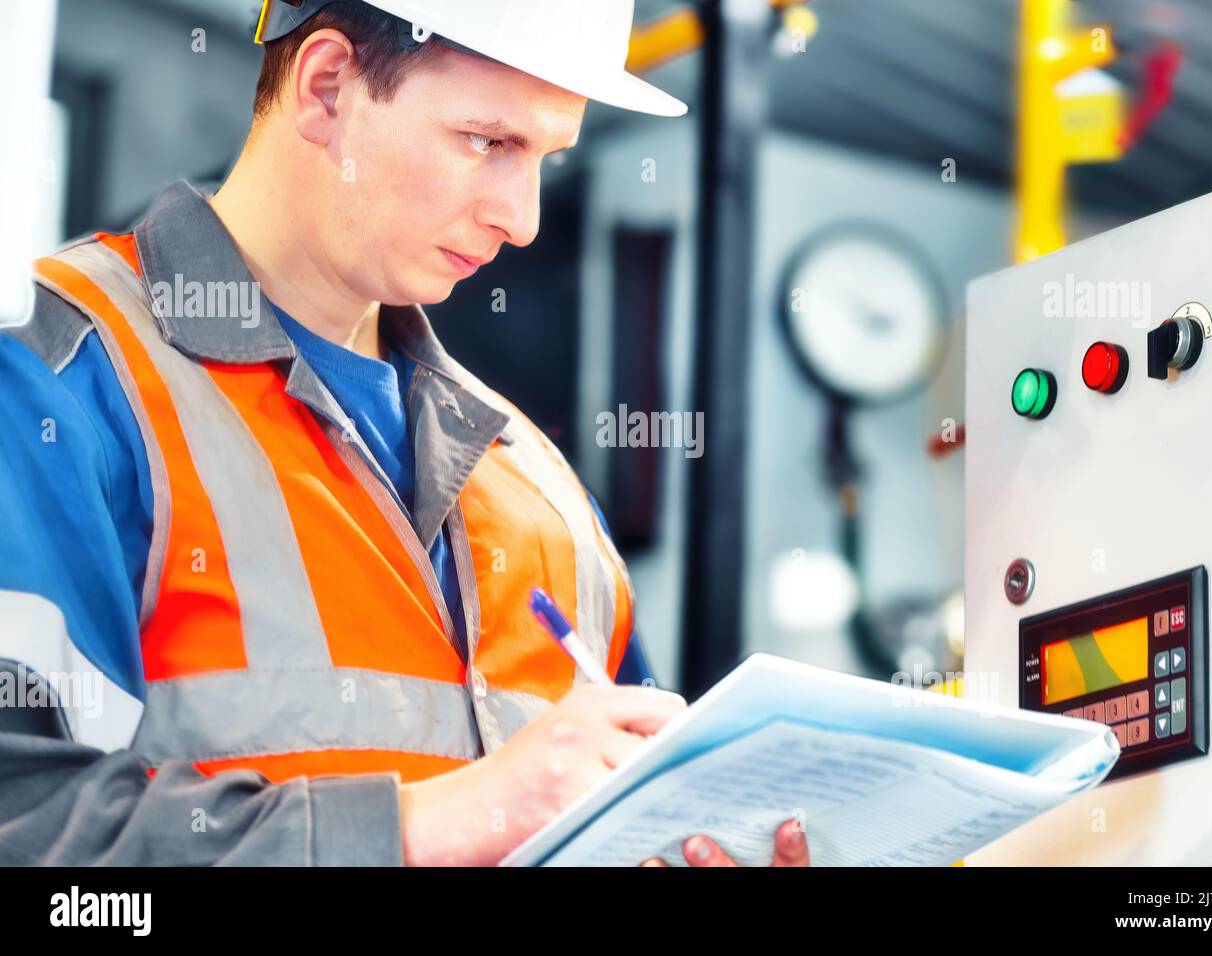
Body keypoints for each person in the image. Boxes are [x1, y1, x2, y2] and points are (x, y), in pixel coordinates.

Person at [0, 0, 809, 867]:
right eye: (487, 141)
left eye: (545, 157)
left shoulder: (539, 486)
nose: (523, 219)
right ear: (326, 87)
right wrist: (438, 825)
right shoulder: (57, 375)